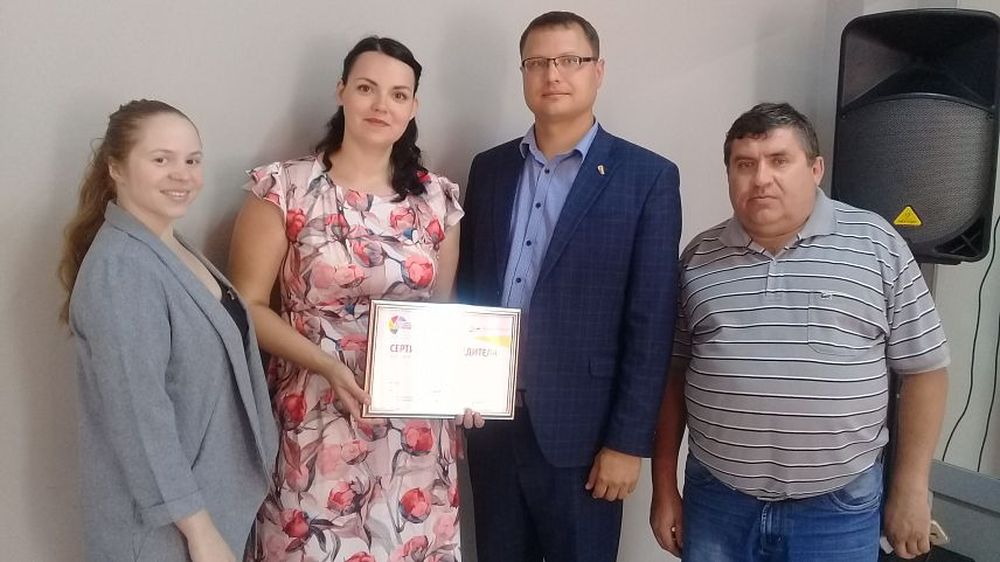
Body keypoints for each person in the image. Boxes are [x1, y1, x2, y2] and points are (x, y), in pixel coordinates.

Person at [650, 102, 950, 561]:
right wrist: (664, 487)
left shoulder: (877, 245)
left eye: (779, 160)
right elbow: (671, 377)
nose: (761, 178)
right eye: (745, 164)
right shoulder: (698, 257)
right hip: (718, 503)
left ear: (815, 169)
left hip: (837, 511)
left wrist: (911, 488)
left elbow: (925, 370)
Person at [230, 37, 479, 562]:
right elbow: (247, 305)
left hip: (414, 436)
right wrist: (327, 364)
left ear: (413, 107)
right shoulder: (285, 187)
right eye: (367, 88)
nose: (381, 105)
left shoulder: (436, 199)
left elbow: (442, 316)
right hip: (316, 417)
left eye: (398, 94)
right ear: (342, 91)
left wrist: (466, 384)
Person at [455, 11, 682, 562]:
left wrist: (627, 443)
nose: (552, 74)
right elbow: (470, 290)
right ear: (523, 73)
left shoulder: (647, 177)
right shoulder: (489, 169)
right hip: (491, 425)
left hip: (586, 438)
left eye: (569, 61)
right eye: (537, 62)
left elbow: (652, 323)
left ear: (598, 71)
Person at [59, 99, 278, 562]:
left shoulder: (169, 247)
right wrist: (200, 532)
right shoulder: (122, 269)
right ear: (116, 168)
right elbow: (140, 417)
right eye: (161, 160)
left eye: (192, 160)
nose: (183, 175)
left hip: (208, 508)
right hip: (168, 530)